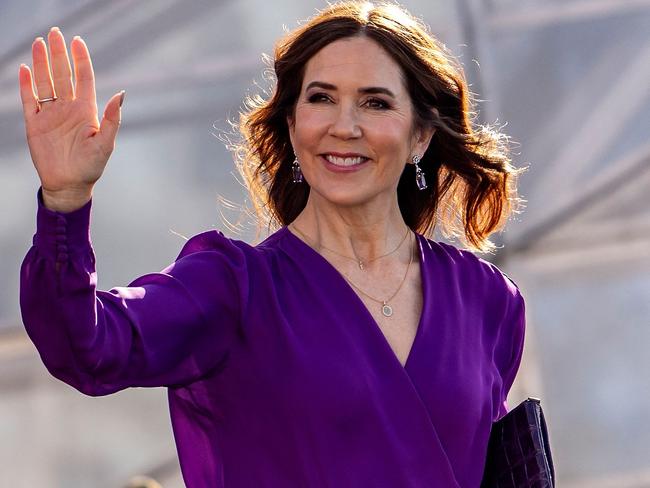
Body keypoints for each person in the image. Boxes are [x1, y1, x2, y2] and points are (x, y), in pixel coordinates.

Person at [18, 2, 526, 487]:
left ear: (420, 136)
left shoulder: (488, 300)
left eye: (375, 102)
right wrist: (66, 200)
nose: (343, 126)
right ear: (292, 123)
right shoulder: (232, 288)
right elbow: (85, 344)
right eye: (321, 98)